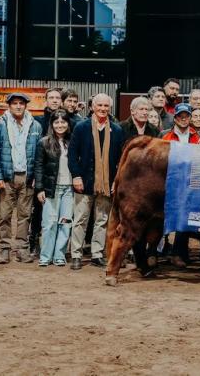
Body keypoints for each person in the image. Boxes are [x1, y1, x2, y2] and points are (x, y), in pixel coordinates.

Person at [68, 94, 125, 270]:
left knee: (101, 220)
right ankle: (76, 254)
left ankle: (96, 254)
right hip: (84, 182)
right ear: (92, 106)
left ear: (110, 108)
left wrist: (116, 180)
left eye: (106, 106)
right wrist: (76, 176)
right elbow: (72, 154)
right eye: (99, 105)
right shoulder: (81, 127)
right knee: (80, 220)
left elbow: (120, 159)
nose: (102, 108)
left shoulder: (116, 130)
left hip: (107, 183)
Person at [0, 93, 42, 264]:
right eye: (15, 103)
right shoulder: (0, 124)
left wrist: (35, 176)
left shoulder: (35, 126)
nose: (18, 106)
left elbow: (38, 155)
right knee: (4, 215)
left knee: (24, 215)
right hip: (7, 178)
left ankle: (21, 249)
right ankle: (4, 249)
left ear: (26, 105)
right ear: (9, 106)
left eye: (21, 103)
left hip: (27, 177)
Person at [160, 103, 200, 267]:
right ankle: (157, 252)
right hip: (170, 180)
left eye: (186, 116)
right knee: (162, 217)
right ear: (175, 118)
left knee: (186, 217)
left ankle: (178, 253)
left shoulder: (197, 136)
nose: (183, 119)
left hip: (190, 180)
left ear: (190, 118)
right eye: (180, 116)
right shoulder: (165, 136)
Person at [34, 109, 74, 267]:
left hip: (69, 190)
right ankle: (45, 256)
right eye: (56, 122)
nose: (60, 125)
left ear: (68, 124)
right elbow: (38, 167)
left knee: (65, 223)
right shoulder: (44, 142)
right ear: (52, 124)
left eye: (63, 122)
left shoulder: (72, 142)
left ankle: (59, 255)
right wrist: (39, 188)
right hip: (51, 189)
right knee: (49, 223)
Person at [30, 87, 62, 257]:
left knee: (59, 212)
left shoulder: (66, 121)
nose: (55, 100)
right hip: (43, 173)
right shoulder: (37, 121)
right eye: (52, 98)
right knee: (38, 210)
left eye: (58, 97)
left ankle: (57, 245)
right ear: (46, 100)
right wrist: (37, 176)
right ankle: (34, 241)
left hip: (60, 174)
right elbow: (35, 152)